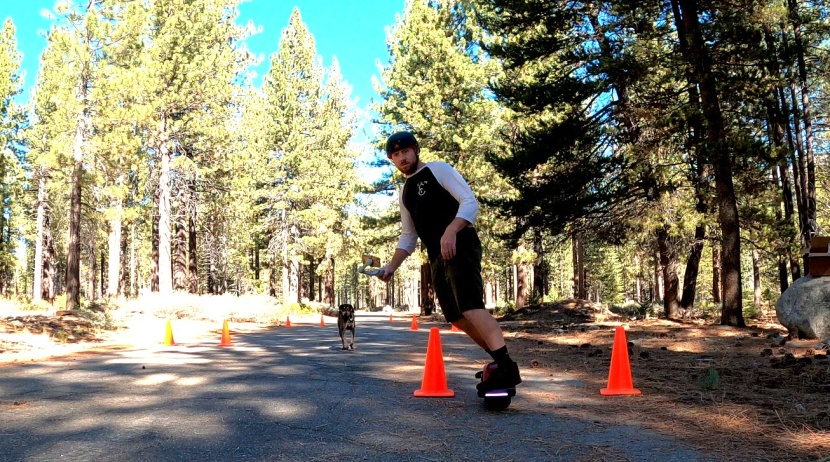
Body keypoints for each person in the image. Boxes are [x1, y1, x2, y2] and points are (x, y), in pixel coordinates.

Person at [378, 131, 522, 392]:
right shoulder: (405, 192)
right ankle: (500, 364)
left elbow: (469, 202)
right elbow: (408, 236)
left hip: (461, 243)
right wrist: (391, 266)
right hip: (436, 255)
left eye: (405, 151)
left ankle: (507, 368)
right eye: (396, 155)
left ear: (415, 150)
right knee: (456, 316)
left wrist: (451, 230)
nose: (402, 158)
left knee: (470, 307)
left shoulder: (438, 170)